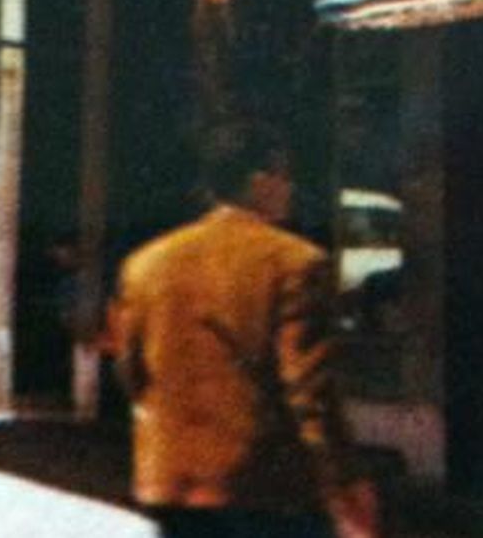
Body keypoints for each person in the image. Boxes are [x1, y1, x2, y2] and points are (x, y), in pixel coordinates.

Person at [111, 122, 378, 538]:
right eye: (283, 175)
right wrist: (345, 484)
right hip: (264, 491)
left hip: (171, 485)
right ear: (259, 181)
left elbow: (131, 372)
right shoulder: (296, 262)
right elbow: (310, 391)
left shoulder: (146, 264)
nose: (289, 187)